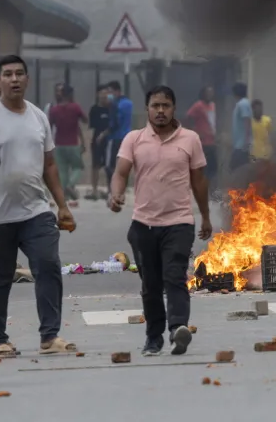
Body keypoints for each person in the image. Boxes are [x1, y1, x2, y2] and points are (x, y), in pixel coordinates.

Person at [0, 55, 78, 358]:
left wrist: (62, 206)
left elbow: (49, 165)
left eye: (20, 73)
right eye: (8, 74)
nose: (14, 79)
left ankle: (50, 335)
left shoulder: (38, 117)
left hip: (36, 210)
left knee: (48, 265)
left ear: (27, 79)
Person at [109, 85, 212, 357]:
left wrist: (205, 216)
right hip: (143, 224)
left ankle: (178, 328)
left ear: (174, 108)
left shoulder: (190, 139)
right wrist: (116, 195)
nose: (161, 111)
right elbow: (121, 172)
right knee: (150, 284)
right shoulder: (134, 139)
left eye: (165, 105)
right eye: (155, 106)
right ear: (147, 109)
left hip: (179, 222)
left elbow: (199, 181)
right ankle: (153, 338)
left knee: (175, 276)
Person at [48, 85, 87, 202]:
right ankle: (71, 185)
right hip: (73, 143)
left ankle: (64, 194)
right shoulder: (75, 107)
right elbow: (85, 120)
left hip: (59, 144)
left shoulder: (54, 110)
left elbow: (49, 126)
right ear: (70, 95)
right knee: (77, 167)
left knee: (62, 170)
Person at [186, 86, 217, 186]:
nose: (210, 95)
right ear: (203, 94)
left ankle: (208, 186)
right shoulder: (198, 105)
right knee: (203, 166)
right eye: (208, 93)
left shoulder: (212, 105)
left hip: (211, 140)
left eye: (211, 93)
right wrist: (196, 132)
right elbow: (189, 117)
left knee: (213, 167)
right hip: (202, 142)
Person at [87, 85, 112, 200]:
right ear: (98, 95)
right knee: (95, 166)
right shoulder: (94, 109)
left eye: (106, 94)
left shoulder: (111, 108)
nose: (103, 96)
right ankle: (94, 190)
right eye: (102, 94)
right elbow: (91, 127)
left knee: (109, 166)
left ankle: (110, 189)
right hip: (97, 140)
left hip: (109, 140)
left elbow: (113, 124)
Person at [106, 80, 133, 182]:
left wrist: (106, 133)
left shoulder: (115, 104)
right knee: (122, 164)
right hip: (126, 137)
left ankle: (112, 188)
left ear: (116, 91)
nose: (109, 95)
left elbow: (114, 123)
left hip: (115, 137)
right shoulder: (129, 103)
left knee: (110, 165)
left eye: (110, 92)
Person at [230, 82, 252, 170]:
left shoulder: (243, 104)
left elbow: (247, 121)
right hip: (239, 144)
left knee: (236, 169)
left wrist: (246, 141)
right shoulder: (242, 103)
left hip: (241, 145)